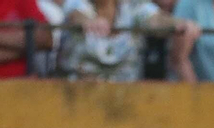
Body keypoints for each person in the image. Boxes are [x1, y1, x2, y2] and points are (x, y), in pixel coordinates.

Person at [58, 0, 192, 80]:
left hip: (127, 98)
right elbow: (76, 16)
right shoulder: (78, 4)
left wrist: (179, 25)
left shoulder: (134, 6)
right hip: (77, 96)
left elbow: (156, 20)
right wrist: (89, 22)